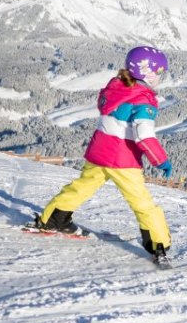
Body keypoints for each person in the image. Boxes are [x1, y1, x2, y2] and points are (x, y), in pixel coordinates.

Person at [34, 45, 174, 260]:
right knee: (141, 202)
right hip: (122, 160)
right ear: (146, 72)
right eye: (159, 72)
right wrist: (160, 160)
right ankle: (158, 244)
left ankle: (52, 219)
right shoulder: (143, 99)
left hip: (99, 152)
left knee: (82, 187)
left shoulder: (116, 87)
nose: (160, 77)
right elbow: (143, 135)